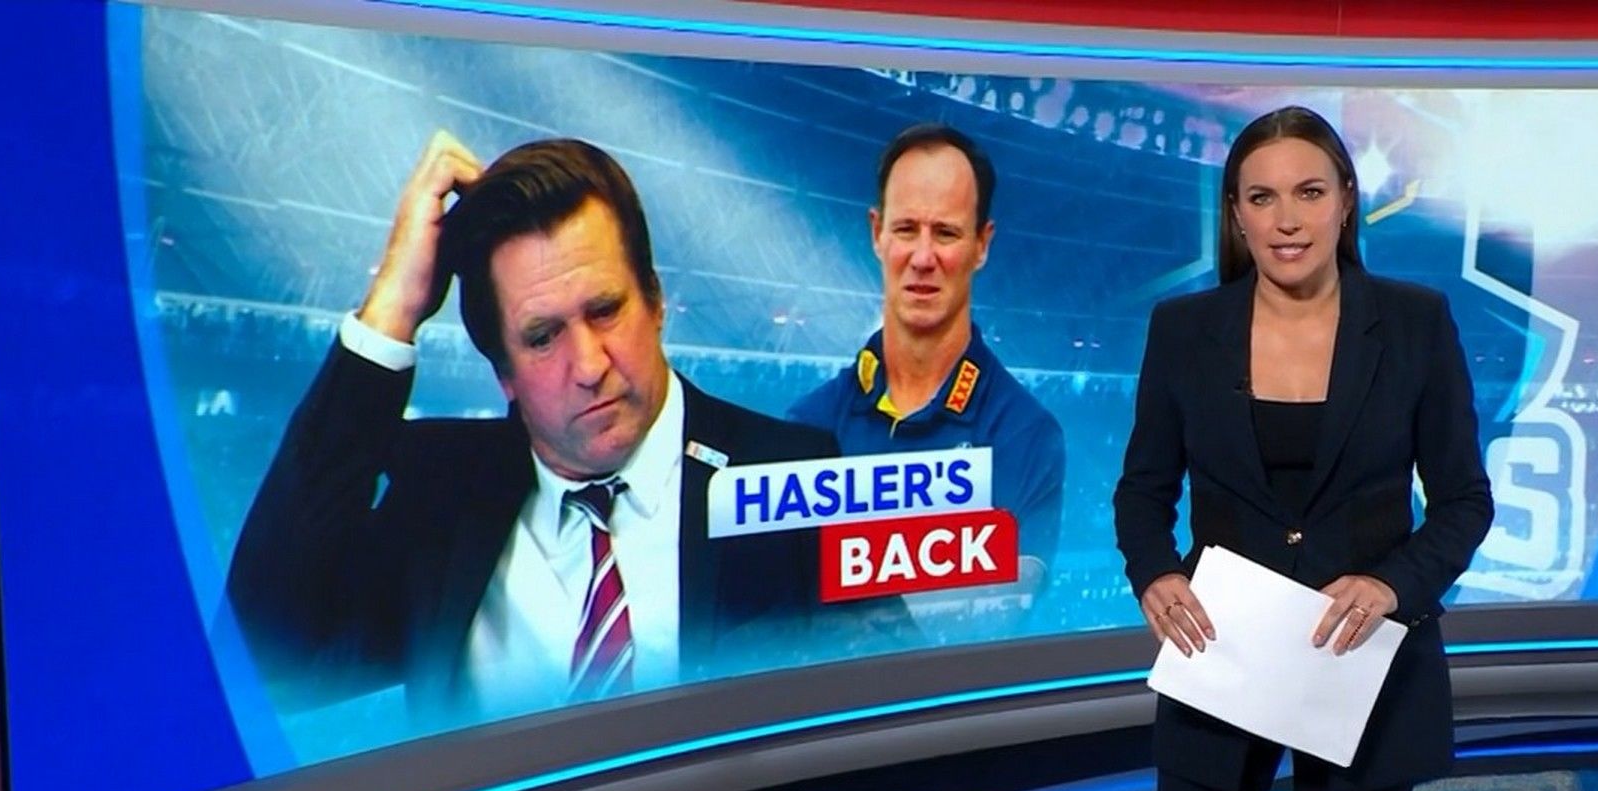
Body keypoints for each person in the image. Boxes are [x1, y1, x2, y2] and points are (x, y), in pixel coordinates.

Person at [1112, 106, 1494, 791]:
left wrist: (1393, 583)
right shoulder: (1184, 330)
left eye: (1309, 192)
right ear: (1235, 214)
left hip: (1361, 667)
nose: (1287, 219)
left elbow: (1463, 501)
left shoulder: (1414, 323)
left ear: (1347, 202)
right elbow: (1143, 490)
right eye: (1263, 197)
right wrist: (1156, 571)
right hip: (1222, 659)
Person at [226, 133, 844, 720]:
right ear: (504, 373)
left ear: (655, 301)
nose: (590, 366)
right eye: (543, 337)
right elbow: (262, 654)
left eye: (606, 310)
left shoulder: (794, 472)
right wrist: (392, 309)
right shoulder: (441, 496)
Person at [789, 123, 1065, 616]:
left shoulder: (1025, 436)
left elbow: (1001, 622)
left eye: (946, 233)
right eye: (905, 229)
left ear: (982, 244)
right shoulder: (805, 427)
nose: (922, 257)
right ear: (876, 233)